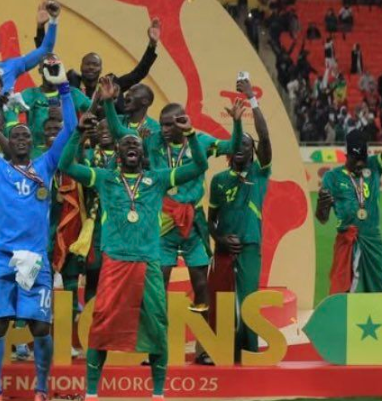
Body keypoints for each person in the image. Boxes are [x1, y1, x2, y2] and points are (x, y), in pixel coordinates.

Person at [61, 99, 234, 401]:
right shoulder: (105, 178)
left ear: (143, 154)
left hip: (148, 264)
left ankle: (158, 393)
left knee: (157, 326)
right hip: (115, 264)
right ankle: (91, 393)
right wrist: (77, 133)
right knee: (101, 326)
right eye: (126, 143)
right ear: (118, 154)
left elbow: (200, 165)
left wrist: (191, 134)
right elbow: (65, 166)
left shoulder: (158, 179)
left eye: (136, 144)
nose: (132, 145)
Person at [0, 58, 78, 402]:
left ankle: (41, 389)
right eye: (16, 136)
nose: (22, 139)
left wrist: (64, 88)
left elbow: (71, 129)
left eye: (27, 136)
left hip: (37, 259)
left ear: (33, 141)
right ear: (8, 143)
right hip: (3, 258)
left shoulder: (46, 165)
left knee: (40, 327)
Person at [103, 79, 239, 318]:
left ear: (181, 122)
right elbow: (120, 133)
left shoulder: (201, 141)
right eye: (162, 124)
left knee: (200, 283)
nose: (163, 129)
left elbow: (233, 147)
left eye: (169, 125)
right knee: (159, 281)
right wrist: (107, 103)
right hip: (163, 220)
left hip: (192, 221)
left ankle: (204, 336)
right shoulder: (153, 139)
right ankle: (161, 333)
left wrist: (237, 122)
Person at [316, 94, 382, 293]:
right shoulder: (332, 177)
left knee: (379, 290)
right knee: (344, 294)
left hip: (372, 241)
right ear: (347, 155)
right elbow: (322, 219)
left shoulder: (373, 165)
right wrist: (322, 205)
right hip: (347, 241)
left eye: (363, 159)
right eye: (356, 160)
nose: (361, 164)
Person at [207, 79, 268, 361]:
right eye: (238, 143)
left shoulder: (260, 174)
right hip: (223, 250)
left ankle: (248, 352)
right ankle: (222, 350)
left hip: (250, 246)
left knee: (248, 301)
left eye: (248, 144)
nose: (243, 147)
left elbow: (264, 137)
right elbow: (211, 221)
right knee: (221, 302)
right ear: (231, 149)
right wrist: (220, 239)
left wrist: (251, 98)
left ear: (253, 152)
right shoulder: (219, 180)